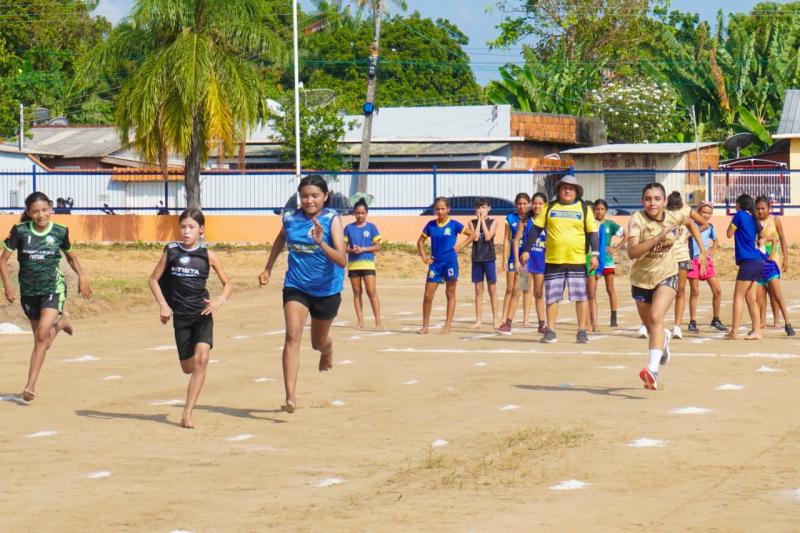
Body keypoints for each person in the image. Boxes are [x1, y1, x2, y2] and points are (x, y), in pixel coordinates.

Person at [259, 175, 347, 413]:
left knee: (317, 342)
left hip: (327, 290)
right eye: (305, 196)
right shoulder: (290, 218)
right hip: (296, 286)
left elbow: (341, 259)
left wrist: (321, 243)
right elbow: (280, 239)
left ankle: (327, 350)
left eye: (315, 196)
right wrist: (268, 267)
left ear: (325, 197)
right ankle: (290, 396)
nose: (309, 200)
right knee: (292, 336)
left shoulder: (332, 220)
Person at [0, 192, 92, 402]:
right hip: (29, 292)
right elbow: (3, 261)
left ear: (50, 208)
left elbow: (71, 257)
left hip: (53, 288)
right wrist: (7, 285)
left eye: (44, 210)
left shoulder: (60, 231)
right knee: (43, 341)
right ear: (29, 213)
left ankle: (30, 385)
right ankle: (62, 323)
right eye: (35, 211)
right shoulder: (20, 231)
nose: (41, 215)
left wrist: (83, 276)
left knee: (42, 334)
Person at [148, 208, 232, 428]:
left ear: (201, 230)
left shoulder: (208, 255)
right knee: (188, 367)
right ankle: (196, 375)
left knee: (202, 359)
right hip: (181, 317)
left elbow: (228, 283)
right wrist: (164, 305)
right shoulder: (172, 251)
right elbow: (153, 280)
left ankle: (187, 414)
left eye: (191, 227)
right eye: (183, 227)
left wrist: (220, 300)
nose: (186, 231)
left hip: (202, 314)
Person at [627, 183, 707, 391]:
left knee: (655, 318)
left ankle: (652, 370)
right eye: (647, 198)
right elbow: (633, 252)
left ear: (664, 201)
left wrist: (702, 250)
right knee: (653, 326)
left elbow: (697, 223)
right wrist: (658, 238)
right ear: (642, 201)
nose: (652, 203)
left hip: (667, 274)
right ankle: (664, 343)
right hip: (641, 278)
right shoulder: (637, 219)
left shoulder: (675, 216)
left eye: (656, 198)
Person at [521, 175, 600, 344]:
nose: (567, 190)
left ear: (577, 192)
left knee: (580, 297)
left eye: (571, 188)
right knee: (552, 297)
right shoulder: (549, 208)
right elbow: (535, 230)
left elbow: (593, 233)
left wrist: (595, 255)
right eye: (564, 187)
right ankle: (550, 331)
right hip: (553, 261)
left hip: (577, 261)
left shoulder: (584, 209)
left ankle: (581, 330)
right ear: (558, 190)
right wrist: (526, 249)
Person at [417, 197, 465, 335]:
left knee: (450, 293)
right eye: (437, 209)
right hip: (435, 265)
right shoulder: (431, 225)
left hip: (450, 263)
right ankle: (425, 326)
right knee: (427, 295)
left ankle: (447, 325)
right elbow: (420, 242)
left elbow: (472, 234)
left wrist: (460, 245)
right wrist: (424, 257)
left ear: (448, 209)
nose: (440, 211)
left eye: (443, 208)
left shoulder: (454, 224)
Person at [754, 196, 795, 336]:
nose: (760, 211)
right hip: (759, 261)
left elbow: (782, 238)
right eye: (758, 208)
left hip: (773, 261)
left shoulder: (775, 220)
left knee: (774, 293)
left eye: (762, 208)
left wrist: (786, 258)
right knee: (760, 295)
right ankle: (762, 320)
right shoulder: (754, 221)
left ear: (769, 208)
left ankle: (779, 320)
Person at [725, 194, 764, 341]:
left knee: (738, 297)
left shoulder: (739, 215)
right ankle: (757, 330)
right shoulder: (753, 219)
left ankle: (734, 331)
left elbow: (729, 234)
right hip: (757, 261)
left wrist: (734, 222)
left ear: (739, 204)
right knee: (750, 298)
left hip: (748, 261)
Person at [343, 199, 384, 329]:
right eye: (357, 213)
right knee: (357, 292)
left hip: (367, 265)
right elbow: (343, 247)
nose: (360, 215)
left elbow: (378, 246)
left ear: (367, 213)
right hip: (354, 265)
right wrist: (351, 250)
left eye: (362, 213)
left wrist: (364, 249)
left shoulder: (371, 227)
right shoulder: (348, 228)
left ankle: (378, 321)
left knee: (371, 292)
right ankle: (360, 321)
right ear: (354, 213)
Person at [687, 201, 727, 333]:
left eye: (709, 213)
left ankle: (716, 319)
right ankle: (692, 321)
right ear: (697, 212)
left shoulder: (710, 227)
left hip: (706, 261)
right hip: (693, 260)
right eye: (703, 212)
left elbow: (716, 242)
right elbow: (685, 238)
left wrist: (711, 252)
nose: (706, 215)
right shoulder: (690, 225)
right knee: (695, 291)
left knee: (717, 290)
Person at [496, 193, 532, 334]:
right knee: (510, 288)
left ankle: (526, 318)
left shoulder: (532, 218)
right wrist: (504, 258)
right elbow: (506, 239)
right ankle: (505, 317)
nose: (522, 206)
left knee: (524, 287)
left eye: (524, 203)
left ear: (529, 204)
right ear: (516, 205)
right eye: (519, 203)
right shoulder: (510, 218)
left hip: (526, 258)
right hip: (513, 258)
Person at [462, 198, 500, 330]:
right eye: (478, 208)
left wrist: (483, 220)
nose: (481, 210)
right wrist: (478, 221)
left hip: (489, 258)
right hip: (477, 258)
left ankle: (496, 319)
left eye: (483, 207)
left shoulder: (494, 221)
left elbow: (488, 236)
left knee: (492, 289)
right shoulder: (471, 222)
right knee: (478, 290)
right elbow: (476, 237)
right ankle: (478, 320)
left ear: (488, 208)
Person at [514, 192, 548, 334]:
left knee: (539, 292)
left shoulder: (549, 220)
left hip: (541, 261)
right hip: (525, 262)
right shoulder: (525, 220)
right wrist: (516, 260)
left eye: (540, 203)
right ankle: (523, 319)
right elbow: (515, 240)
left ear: (545, 205)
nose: (537, 206)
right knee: (523, 289)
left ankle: (542, 323)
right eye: (535, 203)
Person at [592, 199, 627, 328]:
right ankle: (592, 319)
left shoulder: (610, 224)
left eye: (602, 209)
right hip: (593, 261)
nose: (599, 211)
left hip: (607, 262)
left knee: (610, 289)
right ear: (593, 210)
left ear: (606, 211)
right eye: (597, 209)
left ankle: (613, 317)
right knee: (592, 291)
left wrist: (616, 248)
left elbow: (625, 235)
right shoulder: (591, 224)